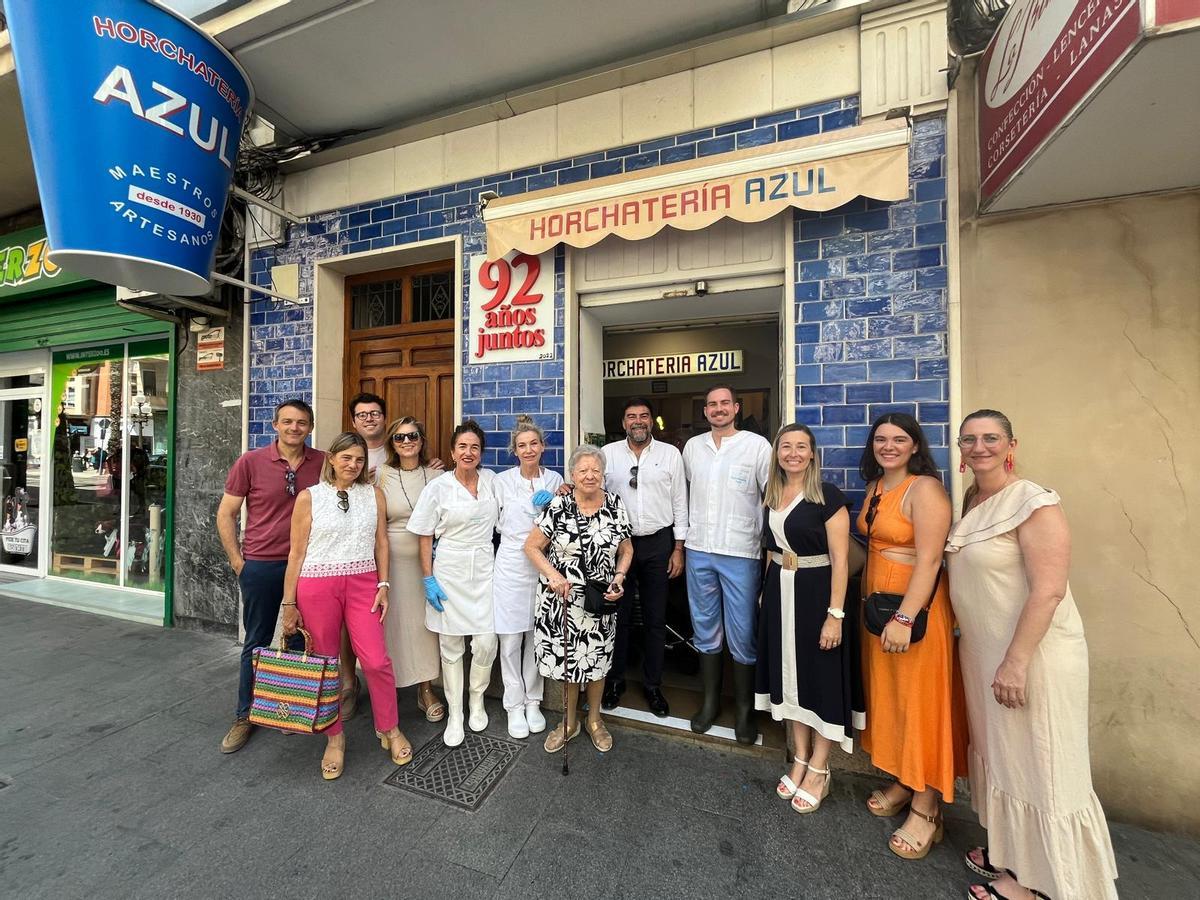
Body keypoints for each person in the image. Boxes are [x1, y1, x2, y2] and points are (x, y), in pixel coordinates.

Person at [947, 410, 1118, 900]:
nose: (979, 447)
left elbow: (1048, 591)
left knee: (1042, 763)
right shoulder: (975, 500)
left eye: (990, 438)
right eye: (970, 440)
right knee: (1009, 761)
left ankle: (1042, 885)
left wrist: (1017, 661)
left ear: (1010, 444)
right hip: (986, 653)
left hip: (1031, 657)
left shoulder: (1034, 501)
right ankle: (1014, 854)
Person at [857, 413, 963, 860]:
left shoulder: (926, 490)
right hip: (878, 609)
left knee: (922, 704)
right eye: (881, 439)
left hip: (912, 613)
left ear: (916, 446)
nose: (889, 446)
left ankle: (927, 807)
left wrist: (905, 617)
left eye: (899, 439)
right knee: (894, 700)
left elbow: (930, 559)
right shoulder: (876, 488)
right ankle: (906, 778)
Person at [278, 431, 410, 780]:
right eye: (347, 458)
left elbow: (382, 541)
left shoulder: (374, 495)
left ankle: (389, 728)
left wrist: (383, 584)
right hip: (318, 584)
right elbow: (296, 553)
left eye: (360, 459)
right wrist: (288, 602)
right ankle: (334, 737)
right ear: (332, 459)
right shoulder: (310, 498)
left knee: (377, 660)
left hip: (364, 582)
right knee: (326, 663)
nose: (353, 465)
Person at [755, 424, 859, 815]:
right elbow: (771, 548)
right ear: (777, 453)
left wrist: (835, 614)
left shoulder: (826, 496)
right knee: (789, 676)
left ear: (813, 453)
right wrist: (766, 591)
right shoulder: (772, 494)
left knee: (820, 676)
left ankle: (820, 767)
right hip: (781, 589)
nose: (793, 453)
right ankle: (799, 758)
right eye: (786, 447)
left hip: (817, 593)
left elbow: (842, 560)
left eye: (801, 447)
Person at [216, 399, 324, 754]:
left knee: (297, 638)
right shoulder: (250, 462)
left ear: (310, 427)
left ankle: (289, 709)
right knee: (257, 642)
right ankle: (244, 716)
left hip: (308, 565)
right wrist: (237, 561)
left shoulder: (322, 462)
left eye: (302, 423)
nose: (295, 428)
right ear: (275, 424)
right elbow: (226, 514)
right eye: (288, 422)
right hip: (261, 563)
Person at [525, 445, 633, 753]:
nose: (589, 475)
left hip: (600, 599)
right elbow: (532, 547)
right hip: (563, 600)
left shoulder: (614, 504)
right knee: (569, 663)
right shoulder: (558, 507)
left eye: (595, 470)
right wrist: (554, 576)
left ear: (602, 474)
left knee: (597, 663)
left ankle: (595, 720)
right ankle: (569, 723)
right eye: (583, 470)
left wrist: (620, 576)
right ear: (573, 475)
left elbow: (626, 548)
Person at [682, 384, 771, 744]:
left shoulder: (756, 447)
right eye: (711, 405)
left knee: (743, 630)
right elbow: (685, 492)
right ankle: (709, 703)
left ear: (736, 408)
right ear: (705, 412)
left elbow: (771, 498)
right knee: (705, 626)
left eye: (724, 404)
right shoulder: (692, 448)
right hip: (699, 547)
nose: (718, 409)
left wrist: (769, 548)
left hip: (741, 550)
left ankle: (744, 711)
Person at [407, 421, 499, 747]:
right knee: (451, 646)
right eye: (462, 447)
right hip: (449, 568)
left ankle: (477, 699)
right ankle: (457, 712)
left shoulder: (491, 482)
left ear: (481, 453)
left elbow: (513, 513)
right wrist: (428, 578)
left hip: (485, 569)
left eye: (474, 447)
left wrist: (547, 499)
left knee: (487, 642)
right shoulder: (438, 488)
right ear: (452, 452)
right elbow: (423, 535)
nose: (468, 452)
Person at [600, 398, 688, 718]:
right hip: (619, 545)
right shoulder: (608, 454)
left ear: (652, 421)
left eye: (644, 416)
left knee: (655, 617)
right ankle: (615, 681)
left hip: (657, 544)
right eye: (631, 416)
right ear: (623, 423)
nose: (638, 421)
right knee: (617, 617)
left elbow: (680, 501)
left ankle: (653, 685)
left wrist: (678, 548)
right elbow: (592, 489)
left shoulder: (670, 455)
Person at [493, 416, 564, 738]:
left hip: (544, 564)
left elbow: (561, 521)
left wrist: (558, 500)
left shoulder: (555, 480)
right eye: (522, 445)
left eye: (534, 443)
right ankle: (514, 704)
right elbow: (494, 522)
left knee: (537, 637)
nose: (528, 449)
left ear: (543, 446)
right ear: (514, 450)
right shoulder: (501, 481)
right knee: (510, 639)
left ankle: (533, 701)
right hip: (509, 563)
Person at [377, 416, 445, 723]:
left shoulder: (437, 474)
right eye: (400, 437)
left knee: (423, 626)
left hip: (429, 563)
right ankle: (388, 688)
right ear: (392, 443)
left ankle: (425, 689)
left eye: (412, 436)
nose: (407, 442)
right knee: (393, 626)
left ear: (421, 438)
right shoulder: (380, 474)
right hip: (392, 562)